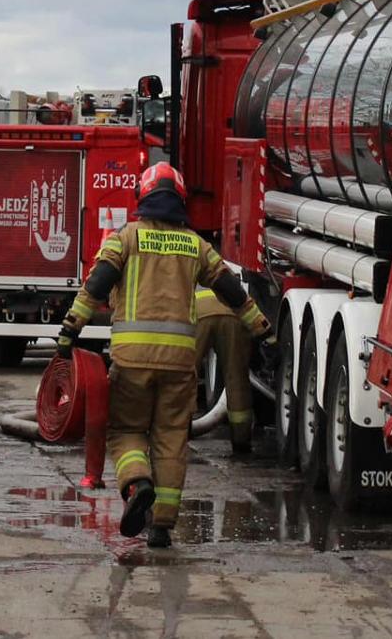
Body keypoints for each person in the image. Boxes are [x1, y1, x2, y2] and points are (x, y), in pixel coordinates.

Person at [56, 162, 276, 548]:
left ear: (142, 197)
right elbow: (231, 291)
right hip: (179, 365)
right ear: (180, 201)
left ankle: (137, 484)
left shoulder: (124, 239)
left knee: (125, 432)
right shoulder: (196, 245)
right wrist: (262, 328)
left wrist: (69, 330)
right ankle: (161, 526)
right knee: (172, 439)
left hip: (132, 362)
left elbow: (96, 286)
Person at [194, 285, 256, 454]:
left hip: (197, 313)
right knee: (237, 380)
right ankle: (241, 440)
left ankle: (176, 431)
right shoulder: (216, 271)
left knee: (184, 376)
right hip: (233, 314)